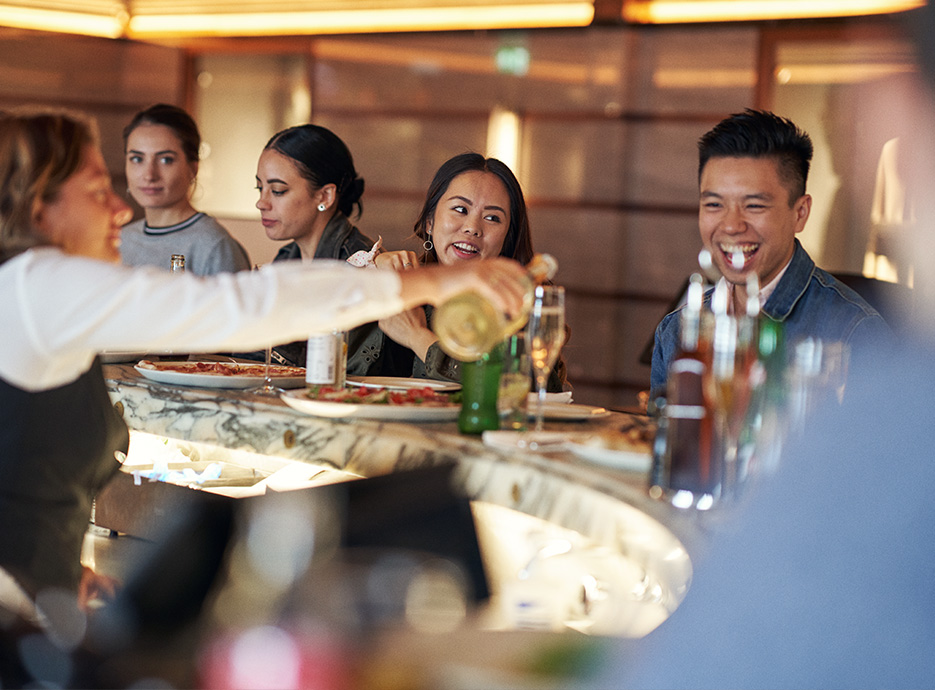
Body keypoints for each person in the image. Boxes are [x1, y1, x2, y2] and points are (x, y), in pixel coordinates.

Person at [0, 109, 528, 621]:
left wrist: (64, 569)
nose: (119, 208)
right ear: (37, 209)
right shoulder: (39, 284)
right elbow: (244, 306)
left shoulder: (32, 290)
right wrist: (435, 281)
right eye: (97, 191)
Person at [650, 109, 891, 400]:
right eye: (714, 204)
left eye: (754, 206)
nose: (731, 225)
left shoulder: (856, 334)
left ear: (800, 214)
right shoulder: (677, 329)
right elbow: (667, 441)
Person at [372, 152, 568, 391]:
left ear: (508, 237)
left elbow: (523, 390)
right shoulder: (406, 282)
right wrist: (371, 272)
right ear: (429, 222)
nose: (472, 228)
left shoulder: (519, 301)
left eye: (492, 217)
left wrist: (417, 336)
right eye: (460, 210)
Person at [252, 123, 381, 372]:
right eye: (260, 188)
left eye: (278, 191)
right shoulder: (288, 257)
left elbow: (351, 376)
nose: (261, 202)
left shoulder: (361, 265)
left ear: (324, 197)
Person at [120, 103, 251, 275]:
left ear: (193, 168)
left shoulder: (214, 246)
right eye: (137, 159)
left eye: (166, 160)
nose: (149, 175)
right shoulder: (121, 240)